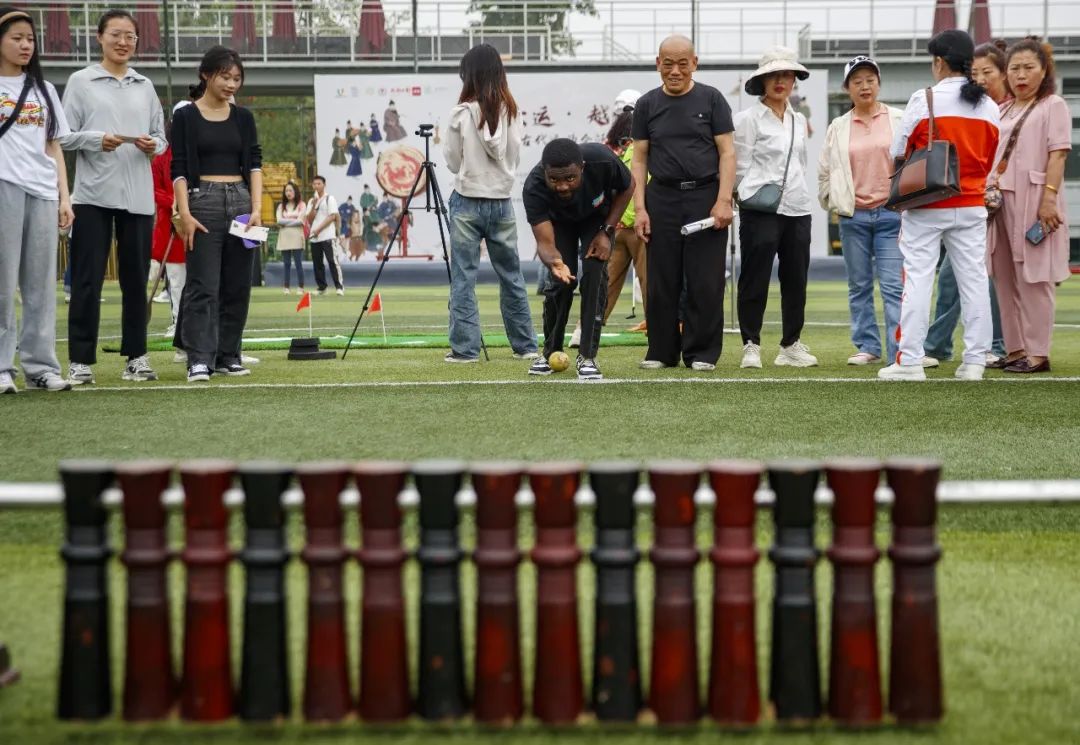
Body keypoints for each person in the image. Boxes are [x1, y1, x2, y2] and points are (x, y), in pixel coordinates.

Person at [879, 30, 1001, 381]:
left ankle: (910, 361)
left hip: (927, 203)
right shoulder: (990, 106)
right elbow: (990, 159)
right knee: (975, 281)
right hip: (972, 203)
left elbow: (898, 153)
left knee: (918, 279)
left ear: (939, 62)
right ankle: (975, 361)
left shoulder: (924, 99)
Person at [60, 8, 166, 384]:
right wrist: (96, 139)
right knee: (86, 279)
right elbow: (63, 135)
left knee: (135, 280)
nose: (124, 42)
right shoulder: (81, 81)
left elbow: (161, 135)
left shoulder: (145, 85)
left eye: (130, 36)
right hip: (92, 196)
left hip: (138, 198)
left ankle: (136, 356)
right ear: (100, 37)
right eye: (116, 35)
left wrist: (155, 144)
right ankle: (80, 361)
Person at [632, 35, 736, 371]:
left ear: (695, 63)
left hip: (706, 197)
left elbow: (727, 152)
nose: (675, 71)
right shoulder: (646, 105)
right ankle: (661, 351)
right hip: (661, 197)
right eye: (668, 63)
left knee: (705, 280)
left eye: (682, 63)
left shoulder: (713, 99)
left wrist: (723, 201)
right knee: (662, 279)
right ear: (657, 63)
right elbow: (639, 160)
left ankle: (702, 353)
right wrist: (641, 208)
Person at [171, 45, 264, 382]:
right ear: (206, 75)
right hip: (202, 202)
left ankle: (228, 355)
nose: (231, 84)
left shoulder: (243, 117)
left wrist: (256, 209)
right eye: (225, 77)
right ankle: (199, 358)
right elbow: (178, 168)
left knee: (238, 285)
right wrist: (184, 213)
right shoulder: (185, 116)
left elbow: (254, 163)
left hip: (241, 203)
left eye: (237, 78)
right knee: (203, 285)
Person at [443, 43, 539, 363]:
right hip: (501, 202)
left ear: (469, 75)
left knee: (464, 278)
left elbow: (453, 163)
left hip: (467, 201)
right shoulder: (511, 112)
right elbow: (514, 156)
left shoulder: (460, 113)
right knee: (511, 276)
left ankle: (465, 350)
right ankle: (525, 346)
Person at [924, 39, 1012, 367]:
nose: (981, 78)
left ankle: (998, 345)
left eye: (987, 71)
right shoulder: (977, 104)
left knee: (986, 277)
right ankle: (945, 345)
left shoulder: (997, 108)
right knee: (964, 276)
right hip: (977, 200)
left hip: (996, 200)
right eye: (975, 71)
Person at [0, 6, 74, 393]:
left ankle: (41, 367)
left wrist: (65, 197)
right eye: (16, 38)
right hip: (3, 187)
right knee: (1, 281)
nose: (25, 45)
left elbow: (53, 145)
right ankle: (0, 366)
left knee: (41, 285)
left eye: (30, 39)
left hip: (43, 191)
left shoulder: (44, 90)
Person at [987, 37, 1071, 374]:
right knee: (1003, 276)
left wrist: (1049, 197)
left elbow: (1059, 153)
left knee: (1035, 277)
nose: (1021, 75)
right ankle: (1015, 348)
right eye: (1014, 68)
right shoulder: (1003, 109)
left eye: (1028, 67)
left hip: (1034, 200)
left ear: (1044, 70)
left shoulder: (1053, 105)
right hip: (999, 202)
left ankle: (1038, 352)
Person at [818, 56, 905, 365]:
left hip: (891, 214)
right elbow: (826, 170)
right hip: (853, 216)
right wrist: (834, 200)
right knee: (859, 285)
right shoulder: (838, 126)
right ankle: (868, 345)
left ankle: (900, 350)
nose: (864, 86)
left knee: (894, 286)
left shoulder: (899, 118)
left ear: (879, 83)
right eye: (857, 81)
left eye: (870, 80)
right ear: (847, 88)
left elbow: (914, 160)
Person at [735, 46, 818, 369]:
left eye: (787, 75)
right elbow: (739, 165)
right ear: (763, 81)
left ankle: (790, 345)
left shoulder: (799, 120)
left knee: (796, 278)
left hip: (798, 206)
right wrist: (745, 198)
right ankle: (751, 345)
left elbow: (801, 162)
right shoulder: (748, 119)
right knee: (754, 278)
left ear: (795, 80)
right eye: (774, 75)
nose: (781, 81)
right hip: (760, 208)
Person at [524, 138, 634, 379]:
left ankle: (587, 356)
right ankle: (550, 351)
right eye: (554, 179)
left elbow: (629, 185)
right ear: (544, 172)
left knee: (595, 274)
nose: (562, 186)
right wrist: (555, 262)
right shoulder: (533, 186)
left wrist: (608, 231)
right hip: (560, 223)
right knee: (561, 282)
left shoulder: (602, 160)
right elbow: (545, 242)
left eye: (570, 178)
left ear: (582, 167)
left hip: (596, 220)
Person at [602, 97, 649, 331]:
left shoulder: (607, 148)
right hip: (640, 227)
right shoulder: (646, 148)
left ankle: (588, 328)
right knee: (649, 282)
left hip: (615, 226)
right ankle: (658, 329)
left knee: (606, 282)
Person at [149, 104, 187, 339]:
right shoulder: (162, 157)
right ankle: (178, 324)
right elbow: (153, 189)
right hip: (171, 229)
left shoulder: (201, 154)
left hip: (199, 225)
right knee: (176, 280)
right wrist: (176, 202)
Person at [306, 175, 344, 295]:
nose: (317, 186)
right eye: (315, 184)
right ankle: (322, 287)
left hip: (327, 235)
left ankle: (339, 286)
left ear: (324, 185)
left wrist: (318, 229)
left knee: (332, 261)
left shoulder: (330, 199)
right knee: (317, 264)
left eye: (319, 184)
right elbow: (309, 219)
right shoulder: (312, 201)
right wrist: (314, 205)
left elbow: (332, 216)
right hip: (315, 238)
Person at [276, 180, 306, 294]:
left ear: (295, 191)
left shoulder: (302, 205)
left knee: (298, 262)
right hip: (284, 237)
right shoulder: (281, 206)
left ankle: (300, 287)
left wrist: (286, 222)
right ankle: (286, 287)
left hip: (297, 236)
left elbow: (301, 221)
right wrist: (294, 220)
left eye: (290, 190)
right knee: (286, 263)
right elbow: (279, 221)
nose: (288, 193)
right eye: (286, 191)